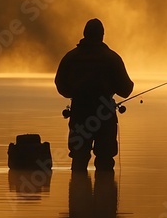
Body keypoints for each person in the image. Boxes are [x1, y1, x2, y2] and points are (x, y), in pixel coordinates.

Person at [55, 19, 133, 172]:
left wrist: (75, 93)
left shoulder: (71, 57)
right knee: (105, 159)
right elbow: (126, 90)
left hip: (79, 114)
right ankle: (104, 193)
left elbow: (60, 85)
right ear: (102, 36)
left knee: (79, 158)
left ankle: (79, 192)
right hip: (104, 116)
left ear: (85, 34)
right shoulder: (111, 58)